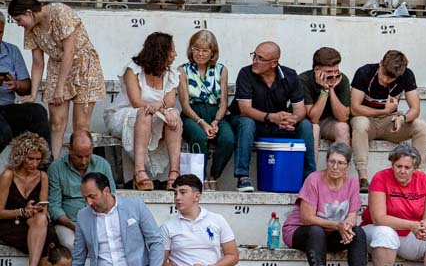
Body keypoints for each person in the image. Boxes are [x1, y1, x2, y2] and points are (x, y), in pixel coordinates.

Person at [8, 0, 104, 160]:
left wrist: (60, 87)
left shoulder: (60, 12)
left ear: (29, 12)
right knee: (56, 123)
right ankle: (54, 166)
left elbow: (70, 51)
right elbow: (38, 63)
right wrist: (33, 94)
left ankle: (81, 169)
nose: (18, 23)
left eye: (19, 19)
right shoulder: (31, 29)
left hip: (83, 66)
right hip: (57, 66)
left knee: (81, 125)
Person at [283, 143, 370, 266]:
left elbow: (352, 216)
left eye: (340, 163)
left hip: (330, 234)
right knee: (316, 231)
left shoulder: (352, 183)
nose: (335, 167)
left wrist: (346, 227)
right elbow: (307, 218)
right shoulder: (314, 179)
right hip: (301, 231)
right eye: (331, 161)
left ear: (348, 166)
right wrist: (338, 225)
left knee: (358, 232)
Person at [232, 41, 315, 193]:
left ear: (274, 63)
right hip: (250, 122)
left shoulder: (290, 75)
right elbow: (244, 109)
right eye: (254, 56)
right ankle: (242, 176)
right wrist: (272, 117)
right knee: (247, 122)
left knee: (305, 125)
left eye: (260, 58)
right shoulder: (245, 73)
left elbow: (300, 110)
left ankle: (310, 177)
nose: (255, 61)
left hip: (277, 123)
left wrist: (291, 120)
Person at [109, 32, 183, 191]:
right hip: (125, 114)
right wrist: (158, 107)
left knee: (174, 116)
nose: (175, 54)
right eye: (172, 50)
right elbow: (136, 101)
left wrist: (160, 107)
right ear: (160, 51)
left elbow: (169, 102)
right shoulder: (133, 69)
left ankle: (174, 174)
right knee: (144, 112)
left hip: (154, 115)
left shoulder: (171, 74)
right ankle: (139, 171)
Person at [349, 51, 426, 189]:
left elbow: (415, 109)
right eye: (384, 74)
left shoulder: (407, 75)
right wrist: (384, 111)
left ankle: (418, 176)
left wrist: (403, 118)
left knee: (420, 125)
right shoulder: (364, 72)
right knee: (360, 122)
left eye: (391, 78)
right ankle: (363, 178)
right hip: (368, 122)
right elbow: (354, 109)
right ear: (380, 63)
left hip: (390, 122)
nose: (385, 80)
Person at [178, 30, 234, 188]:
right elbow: (184, 104)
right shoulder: (183, 70)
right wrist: (202, 123)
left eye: (205, 50)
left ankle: (213, 175)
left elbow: (223, 102)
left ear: (212, 52)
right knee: (199, 136)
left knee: (228, 139)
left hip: (215, 112)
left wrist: (216, 121)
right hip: (192, 114)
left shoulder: (221, 69)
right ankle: (198, 179)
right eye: (196, 49)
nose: (200, 54)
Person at [0, 132, 53, 266]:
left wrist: (34, 210)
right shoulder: (9, 175)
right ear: (21, 156)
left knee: (42, 221)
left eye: (38, 159)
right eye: (31, 159)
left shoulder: (42, 176)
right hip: (9, 221)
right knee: (46, 239)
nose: (35, 163)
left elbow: (44, 208)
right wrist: (22, 212)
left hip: (33, 221)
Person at [47, 132, 113, 250]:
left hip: (99, 219)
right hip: (68, 223)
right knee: (71, 244)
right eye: (79, 156)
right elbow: (54, 207)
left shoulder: (102, 164)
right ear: (69, 150)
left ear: (92, 149)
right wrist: (74, 226)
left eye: (87, 156)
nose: (83, 161)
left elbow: (111, 197)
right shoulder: (56, 168)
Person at [299, 47, 352, 179]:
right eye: (329, 72)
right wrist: (324, 90)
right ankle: (312, 177)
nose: (334, 75)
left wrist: (331, 88)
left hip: (329, 122)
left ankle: (340, 176)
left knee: (343, 127)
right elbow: (314, 118)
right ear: (317, 69)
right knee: (314, 128)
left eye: (336, 71)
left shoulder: (342, 79)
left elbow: (342, 117)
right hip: (305, 123)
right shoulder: (303, 80)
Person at [0, 17, 47, 157]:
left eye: (0, 32)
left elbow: (27, 87)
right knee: (4, 132)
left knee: (37, 112)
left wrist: (16, 84)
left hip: (6, 108)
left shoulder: (11, 51)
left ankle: (45, 167)